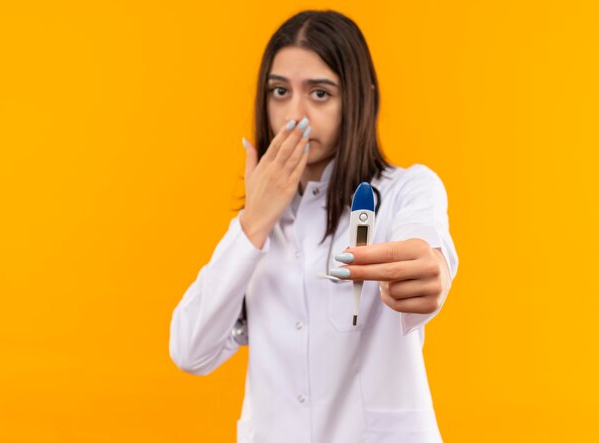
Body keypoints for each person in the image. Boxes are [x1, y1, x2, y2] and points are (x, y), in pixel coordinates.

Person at [169, 9, 459, 443]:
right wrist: (254, 221)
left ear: (360, 98)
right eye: (280, 91)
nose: (294, 116)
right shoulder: (258, 230)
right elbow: (190, 351)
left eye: (320, 94)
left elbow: (423, 249)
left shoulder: (406, 190)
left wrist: (430, 271)